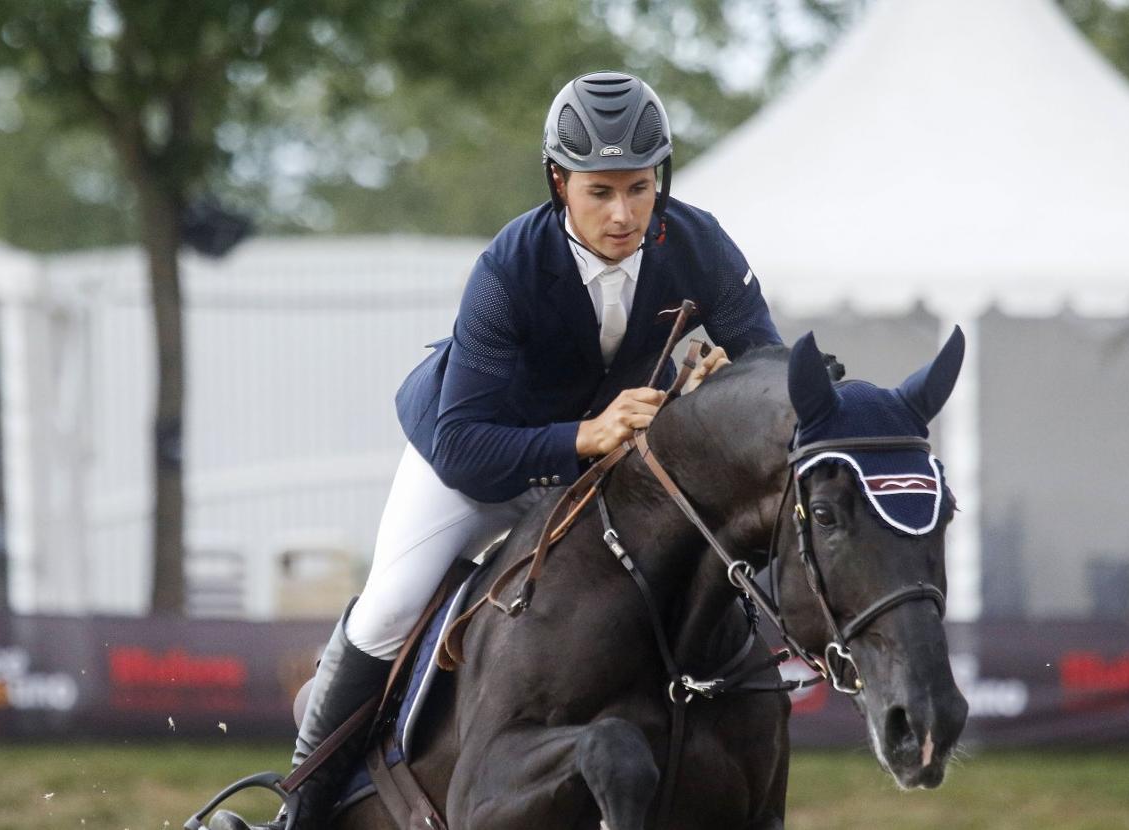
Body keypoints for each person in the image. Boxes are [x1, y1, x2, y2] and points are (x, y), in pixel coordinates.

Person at [215, 70, 781, 830]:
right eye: (600, 192)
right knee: (387, 607)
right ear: (559, 182)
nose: (624, 215)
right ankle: (301, 810)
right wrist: (585, 434)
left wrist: (722, 386)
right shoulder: (510, 267)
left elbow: (770, 370)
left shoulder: (700, 243)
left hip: (601, 470)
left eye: (640, 189)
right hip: (477, 459)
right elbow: (463, 447)